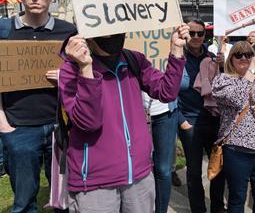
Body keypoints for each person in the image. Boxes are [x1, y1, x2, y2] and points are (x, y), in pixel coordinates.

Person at [59, 25, 188, 212]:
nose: (111, 35)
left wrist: (176, 50)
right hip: (96, 183)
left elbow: (166, 92)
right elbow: (89, 122)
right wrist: (86, 69)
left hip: (139, 176)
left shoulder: (133, 59)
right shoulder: (71, 70)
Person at [0, 0, 76, 212]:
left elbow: (85, 74)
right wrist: (4, 126)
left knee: (65, 200)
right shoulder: (3, 31)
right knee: (23, 203)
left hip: (61, 128)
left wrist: (68, 75)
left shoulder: (69, 32)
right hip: (19, 128)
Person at [212, 41, 255, 213]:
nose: (244, 58)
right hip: (237, 150)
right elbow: (236, 98)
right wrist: (252, 70)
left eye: (249, 55)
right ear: (231, 59)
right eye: (239, 54)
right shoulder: (223, 79)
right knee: (237, 198)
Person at [177, 18, 226, 213]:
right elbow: (168, 93)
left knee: (218, 168)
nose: (196, 37)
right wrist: (181, 122)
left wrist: (223, 68)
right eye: (192, 33)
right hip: (190, 121)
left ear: (205, 36)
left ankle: (217, 207)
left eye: (200, 33)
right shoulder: (176, 57)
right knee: (194, 172)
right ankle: (198, 209)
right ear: (185, 34)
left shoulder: (214, 57)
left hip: (213, 120)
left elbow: (224, 88)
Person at [144, 66, 191, 213]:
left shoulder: (171, 51)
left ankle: (160, 209)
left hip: (166, 114)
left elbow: (185, 82)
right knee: (142, 169)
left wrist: (170, 72)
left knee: (164, 169)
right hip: (138, 113)